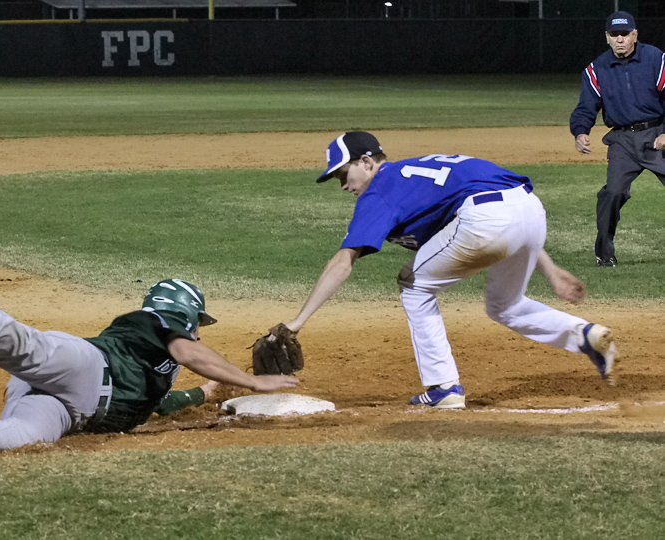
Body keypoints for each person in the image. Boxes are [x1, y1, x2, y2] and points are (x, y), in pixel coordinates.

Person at [280, 131, 617, 409]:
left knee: (413, 284)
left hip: (487, 218)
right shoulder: (411, 174)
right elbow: (506, 207)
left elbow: (343, 262)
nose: (342, 184)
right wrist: (550, 268)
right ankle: (584, 335)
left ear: (366, 162)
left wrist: (296, 323)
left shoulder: (380, 191)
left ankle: (443, 387)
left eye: (343, 174)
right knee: (505, 305)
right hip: (529, 209)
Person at [0, 280, 299, 459]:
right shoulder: (153, 321)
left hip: (71, 411)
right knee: (27, 348)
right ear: (188, 315)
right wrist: (252, 381)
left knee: (20, 438)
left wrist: (206, 393)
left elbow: (158, 403)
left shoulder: (158, 365)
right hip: (85, 366)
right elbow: (190, 352)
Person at [570, 11, 665, 267]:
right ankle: (604, 254)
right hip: (622, 140)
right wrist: (580, 131)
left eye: (625, 34)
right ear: (607, 38)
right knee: (612, 193)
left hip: (657, 134)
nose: (620, 39)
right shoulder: (596, 69)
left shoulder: (656, 59)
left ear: (635, 35)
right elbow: (585, 107)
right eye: (614, 35)